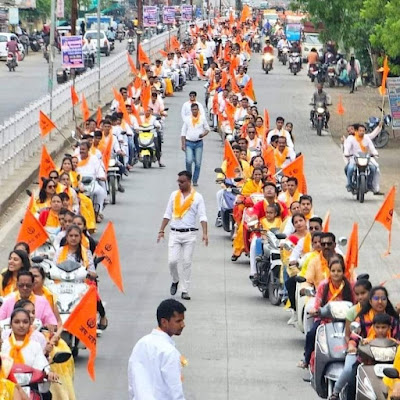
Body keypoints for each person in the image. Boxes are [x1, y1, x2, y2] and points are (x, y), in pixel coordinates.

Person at [157, 171, 208, 300]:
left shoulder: (198, 197)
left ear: (189, 182)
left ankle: (185, 290)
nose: (179, 184)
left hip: (190, 234)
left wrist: (205, 233)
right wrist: (161, 230)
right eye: (178, 182)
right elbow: (167, 213)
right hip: (174, 233)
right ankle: (175, 280)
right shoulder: (174, 195)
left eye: (182, 182)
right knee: (172, 262)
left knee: (186, 262)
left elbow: (202, 216)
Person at [301, 255, 355, 369]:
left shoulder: (348, 286)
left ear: (343, 272)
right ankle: (307, 360)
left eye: (339, 271)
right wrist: (315, 310)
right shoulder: (323, 286)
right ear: (329, 271)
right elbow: (318, 302)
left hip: (345, 321)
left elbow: (354, 304)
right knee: (312, 334)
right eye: (333, 271)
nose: (336, 274)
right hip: (325, 320)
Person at [128, 299, 187, 400]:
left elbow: (132, 382)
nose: (183, 325)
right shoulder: (169, 352)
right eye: (178, 321)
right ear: (164, 322)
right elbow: (175, 390)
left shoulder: (141, 344)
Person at [329, 277, 372, 400]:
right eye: (357, 294)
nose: (360, 297)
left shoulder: (378, 311)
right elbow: (348, 335)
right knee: (349, 370)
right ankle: (336, 392)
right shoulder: (353, 312)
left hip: (376, 351)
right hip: (358, 350)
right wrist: (352, 346)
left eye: (363, 293)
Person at [1, 308, 58, 392]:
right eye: (17, 322)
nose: (21, 325)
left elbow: (41, 366)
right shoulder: (3, 345)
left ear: (30, 324)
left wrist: (48, 374)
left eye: (25, 322)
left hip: (30, 388)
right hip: (4, 390)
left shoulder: (35, 346)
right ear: (11, 324)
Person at [76, 141, 107, 223]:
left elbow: (99, 169)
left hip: (92, 181)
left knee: (100, 191)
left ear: (88, 150)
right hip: (78, 182)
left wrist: (102, 176)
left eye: (83, 149)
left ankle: (98, 212)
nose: (82, 151)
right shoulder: (76, 159)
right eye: (80, 149)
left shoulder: (93, 158)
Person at [181, 103, 210, 187]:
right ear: (191, 110)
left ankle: (195, 180)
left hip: (198, 143)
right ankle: (188, 178)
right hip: (189, 142)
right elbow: (183, 132)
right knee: (189, 161)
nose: (194, 111)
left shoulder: (202, 119)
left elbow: (207, 129)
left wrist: (203, 134)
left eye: (196, 109)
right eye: (193, 110)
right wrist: (183, 144)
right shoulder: (187, 119)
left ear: (198, 110)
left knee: (198, 163)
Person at [343, 123, 378, 193]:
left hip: (365, 158)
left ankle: (369, 184)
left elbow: (372, 147)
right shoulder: (351, 138)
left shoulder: (366, 138)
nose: (361, 132)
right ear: (357, 131)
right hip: (354, 158)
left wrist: (375, 153)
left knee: (373, 168)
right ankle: (349, 185)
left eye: (363, 131)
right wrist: (346, 153)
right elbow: (347, 147)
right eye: (360, 131)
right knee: (350, 168)